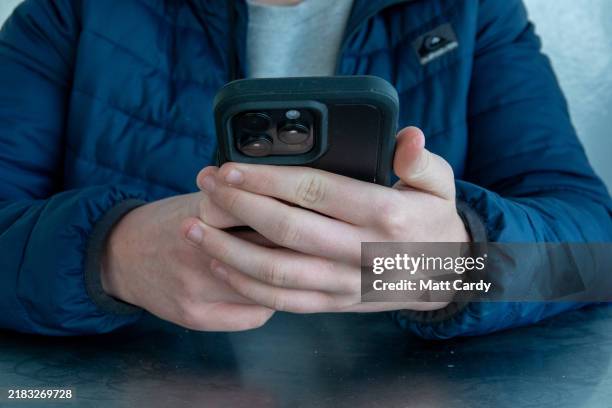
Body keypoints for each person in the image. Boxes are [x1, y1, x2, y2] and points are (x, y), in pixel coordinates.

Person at [0, 0, 610, 338]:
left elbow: (595, 260)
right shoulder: (70, 13)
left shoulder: (474, 12)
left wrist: (455, 267)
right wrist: (111, 257)